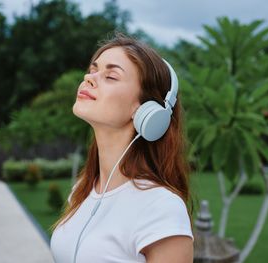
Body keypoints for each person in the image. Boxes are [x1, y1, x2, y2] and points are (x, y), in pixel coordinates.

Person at [50, 33, 194, 263]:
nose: (89, 77)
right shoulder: (83, 189)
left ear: (146, 111)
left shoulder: (161, 208)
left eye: (111, 76)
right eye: (93, 69)